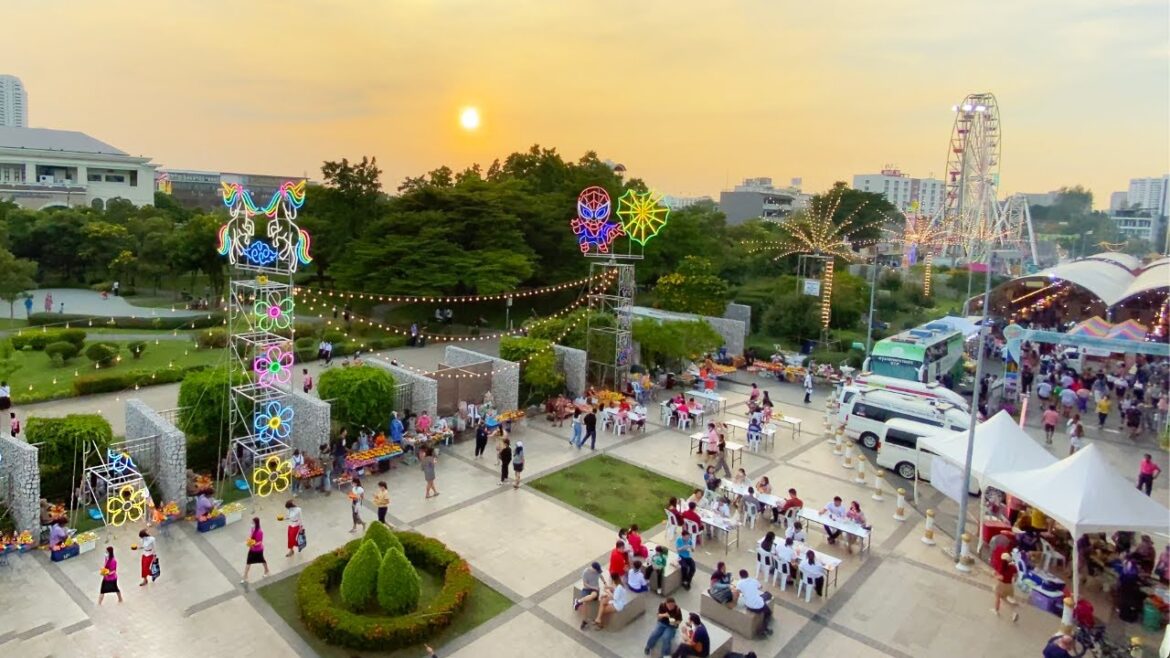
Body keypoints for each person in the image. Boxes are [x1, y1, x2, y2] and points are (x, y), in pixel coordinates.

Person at [732, 568, 773, 636]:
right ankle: (764, 628)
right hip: (760, 605)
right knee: (768, 612)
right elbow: (760, 587)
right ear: (748, 575)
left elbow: (737, 592)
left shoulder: (739, 583)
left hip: (749, 606)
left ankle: (764, 629)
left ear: (740, 576)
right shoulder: (754, 581)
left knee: (762, 597)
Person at [992, 552, 1019, 621]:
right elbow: (1016, 576)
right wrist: (1014, 580)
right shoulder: (1013, 567)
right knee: (1007, 600)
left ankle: (996, 610)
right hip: (1009, 586)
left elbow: (1001, 578)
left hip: (1001, 586)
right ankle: (1014, 612)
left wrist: (995, 576)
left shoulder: (1003, 567)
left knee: (998, 598)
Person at [242, 517, 269, 583]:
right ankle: (245, 576)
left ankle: (266, 570)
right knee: (248, 562)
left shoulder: (260, 532)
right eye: (251, 522)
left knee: (262, 560)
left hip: (258, 550)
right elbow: (251, 536)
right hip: (252, 549)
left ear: (256, 523)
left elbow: (260, 542)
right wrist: (249, 541)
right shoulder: (252, 529)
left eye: (253, 523)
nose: (251, 524)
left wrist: (254, 544)